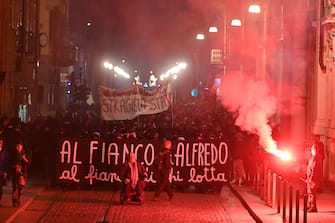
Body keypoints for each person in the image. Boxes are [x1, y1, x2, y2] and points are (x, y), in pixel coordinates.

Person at [10, 141, 29, 207]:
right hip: (15, 173)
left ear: (22, 147)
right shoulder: (13, 154)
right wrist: (15, 166)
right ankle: (15, 202)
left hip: (23, 173)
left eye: (19, 146)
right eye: (16, 146)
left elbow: (29, 163)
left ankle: (18, 198)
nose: (17, 148)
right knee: (15, 187)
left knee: (21, 187)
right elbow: (10, 163)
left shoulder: (25, 153)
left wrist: (24, 159)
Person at [305, 143, 323, 212]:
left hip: (314, 179)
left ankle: (313, 207)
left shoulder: (316, 157)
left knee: (312, 193)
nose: (311, 150)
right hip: (311, 178)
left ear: (314, 150)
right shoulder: (314, 157)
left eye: (312, 149)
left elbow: (315, 169)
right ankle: (309, 206)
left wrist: (311, 179)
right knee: (310, 192)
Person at [0, 136, 9, 206]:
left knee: (0, 187)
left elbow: (6, 162)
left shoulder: (4, 152)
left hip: (1, 172)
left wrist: (5, 172)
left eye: (1, 143)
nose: (0, 144)